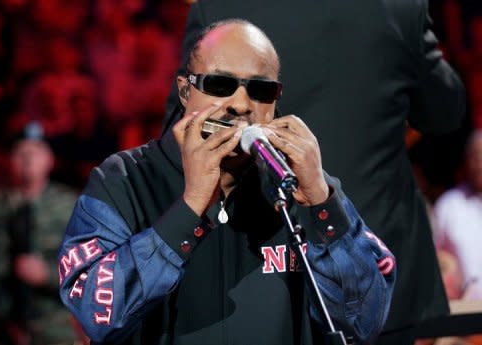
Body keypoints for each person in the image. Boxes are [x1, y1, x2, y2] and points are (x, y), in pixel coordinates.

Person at [58, 20, 396, 345]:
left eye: (261, 90)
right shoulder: (123, 180)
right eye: (220, 85)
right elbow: (96, 313)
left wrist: (326, 206)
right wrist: (190, 210)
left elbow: (362, 324)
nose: (240, 104)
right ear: (185, 91)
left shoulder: (304, 186)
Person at [162, 2, 467, 344]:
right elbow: (444, 113)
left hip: (255, 270)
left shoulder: (221, 8)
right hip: (376, 275)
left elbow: (183, 133)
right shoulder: (397, 8)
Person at [0, 122, 80, 345]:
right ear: (9, 160)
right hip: (1, 324)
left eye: (36, 151)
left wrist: (48, 274)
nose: (28, 158)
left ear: (50, 159)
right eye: (21, 152)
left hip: (54, 324)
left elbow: (89, 267)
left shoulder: (71, 205)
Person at [434, 130, 482, 301]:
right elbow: (437, 262)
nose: (479, 163)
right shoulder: (450, 205)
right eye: (475, 156)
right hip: (466, 314)